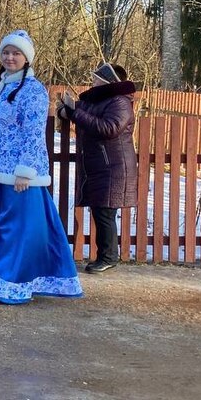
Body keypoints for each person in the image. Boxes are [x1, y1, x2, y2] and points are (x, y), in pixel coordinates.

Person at [0, 30, 83, 305]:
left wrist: (24, 170)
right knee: (32, 227)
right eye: (6, 52)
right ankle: (26, 279)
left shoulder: (33, 90)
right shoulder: (3, 85)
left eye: (16, 53)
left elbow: (33, 132)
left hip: (18, 173)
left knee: (12, 227)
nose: (9, 57)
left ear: (26, 58)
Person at [57, 63, 137, 274]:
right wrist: (65, 110)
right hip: (101, 165)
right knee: (100, 209)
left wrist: (74, 113)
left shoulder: (120, 102)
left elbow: (108, 128)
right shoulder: (99, 100)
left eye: (97, 78)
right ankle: (106, 255)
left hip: (114, 165)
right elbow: (79, 111)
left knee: (105, 212)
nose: (93, 81)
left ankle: (108, 257)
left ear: (108, 81)